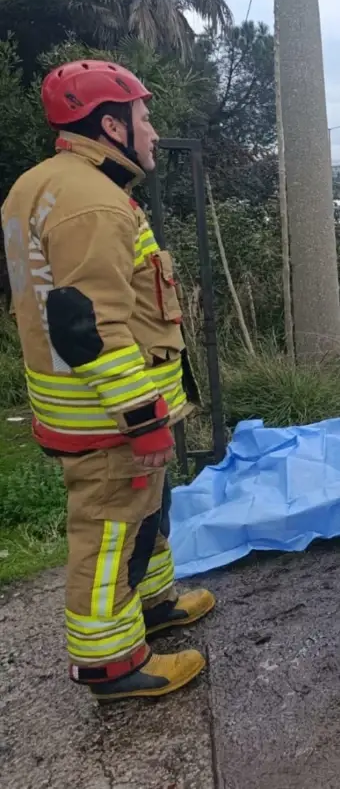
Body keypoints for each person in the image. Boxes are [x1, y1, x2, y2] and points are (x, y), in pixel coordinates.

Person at [1, 60, 214, 703]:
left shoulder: (39, 185)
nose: (153, 132)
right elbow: (91, 329)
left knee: (144, 513)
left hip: (84, 407)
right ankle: (111, 664)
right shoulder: (92, 202)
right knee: (109, 531)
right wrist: (143, 421)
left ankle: (152, 605)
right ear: (112, 125)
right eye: (144, 118)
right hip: (110, 417)